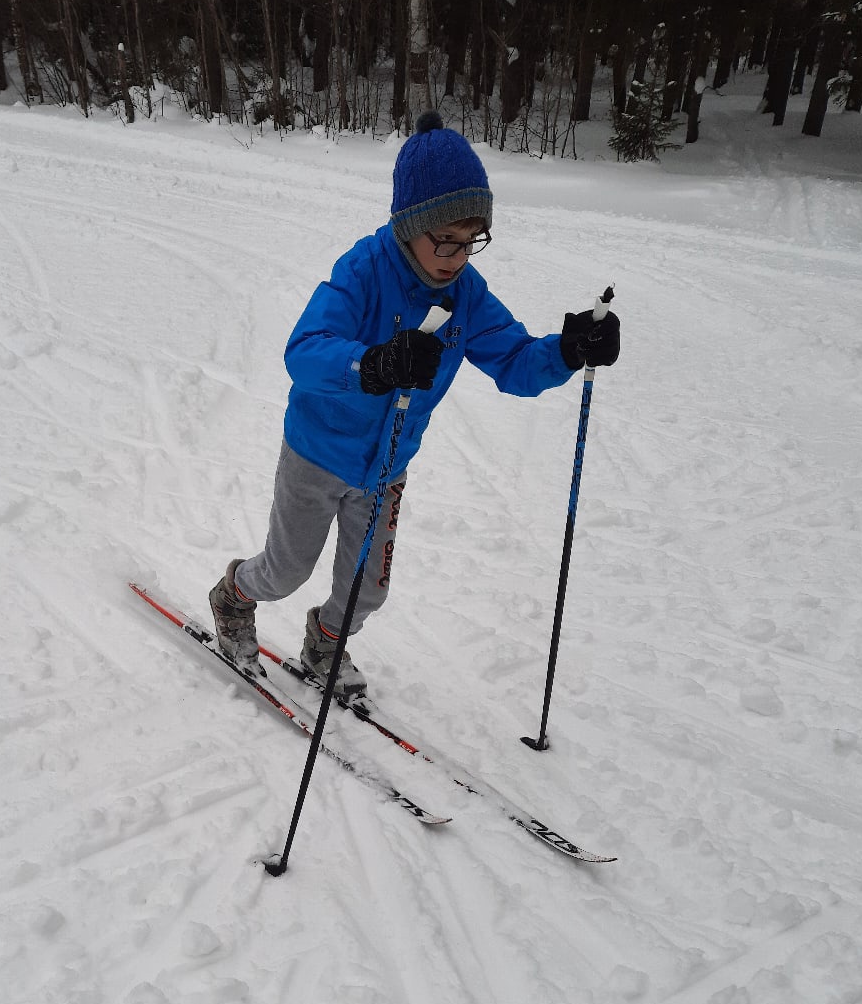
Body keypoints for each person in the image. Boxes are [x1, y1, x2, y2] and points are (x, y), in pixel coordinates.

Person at [208, 110, 620, 705]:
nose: (456, 255)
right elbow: (304, 352)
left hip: (386, 467)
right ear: (410, 225)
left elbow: (516, 363)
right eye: (444, 239)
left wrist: (569, 350)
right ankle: (234, 595)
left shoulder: (466, 295)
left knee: (365, 592)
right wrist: (372, 364)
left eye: (471, 239)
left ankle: (324, 643)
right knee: (285, 571)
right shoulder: (363, 272)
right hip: (317, 454)